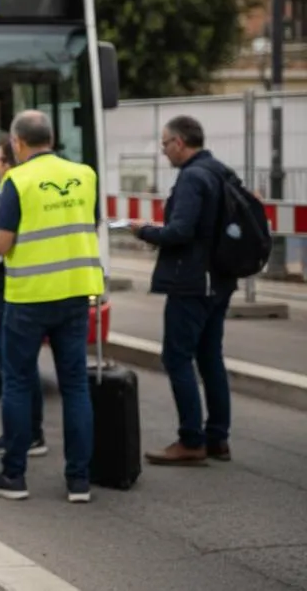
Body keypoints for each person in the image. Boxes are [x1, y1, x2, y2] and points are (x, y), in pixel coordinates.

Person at [0, 110, 101, 504]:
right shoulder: (85, 175)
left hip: (29, 297)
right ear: (52, 139)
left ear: (18, 143)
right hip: (76, 293)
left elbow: (2, 243)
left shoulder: (18, 181)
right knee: (75, 386)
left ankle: (14, 475)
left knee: (17, 382)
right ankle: (79, 481)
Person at [129, 116, 235, 465]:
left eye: (164, 144)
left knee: (176, 358)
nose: (163, 151)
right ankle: (217, 438)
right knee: (210, 357)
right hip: (220, 279)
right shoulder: (220, 171)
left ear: (179, 142)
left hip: (192, 282)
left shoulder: (192, 177)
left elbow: (180, 232)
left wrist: (144, 231)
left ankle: (191, 440)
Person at [0, 137, 47, 457]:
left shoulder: (14, 188)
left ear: (11, 162)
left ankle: (24, 436)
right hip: (12, 284)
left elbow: (7, 241)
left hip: (12, 286)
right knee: (14, 362)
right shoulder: (19, 189)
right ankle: (25, 433)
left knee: (14, 363)